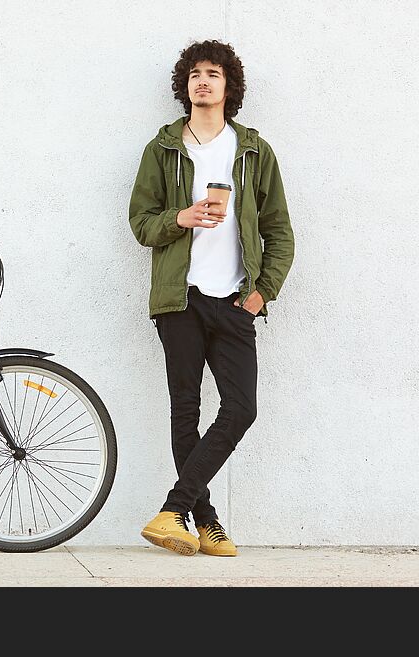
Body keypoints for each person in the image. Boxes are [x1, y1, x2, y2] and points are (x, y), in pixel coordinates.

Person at [128, 39, 294, 556]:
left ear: (229, 86)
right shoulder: (162, 150)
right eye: (196, 73)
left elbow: (279, 230)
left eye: (214, 74)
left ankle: (173, 510)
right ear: (185, 85)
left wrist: (261, 294)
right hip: (179, 299)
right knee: (186, 410)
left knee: (241, 408)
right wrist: (181, 218)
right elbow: (140, 223)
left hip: (233, 300)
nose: (204, 81)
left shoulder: (252, 151)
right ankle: (207, 524)